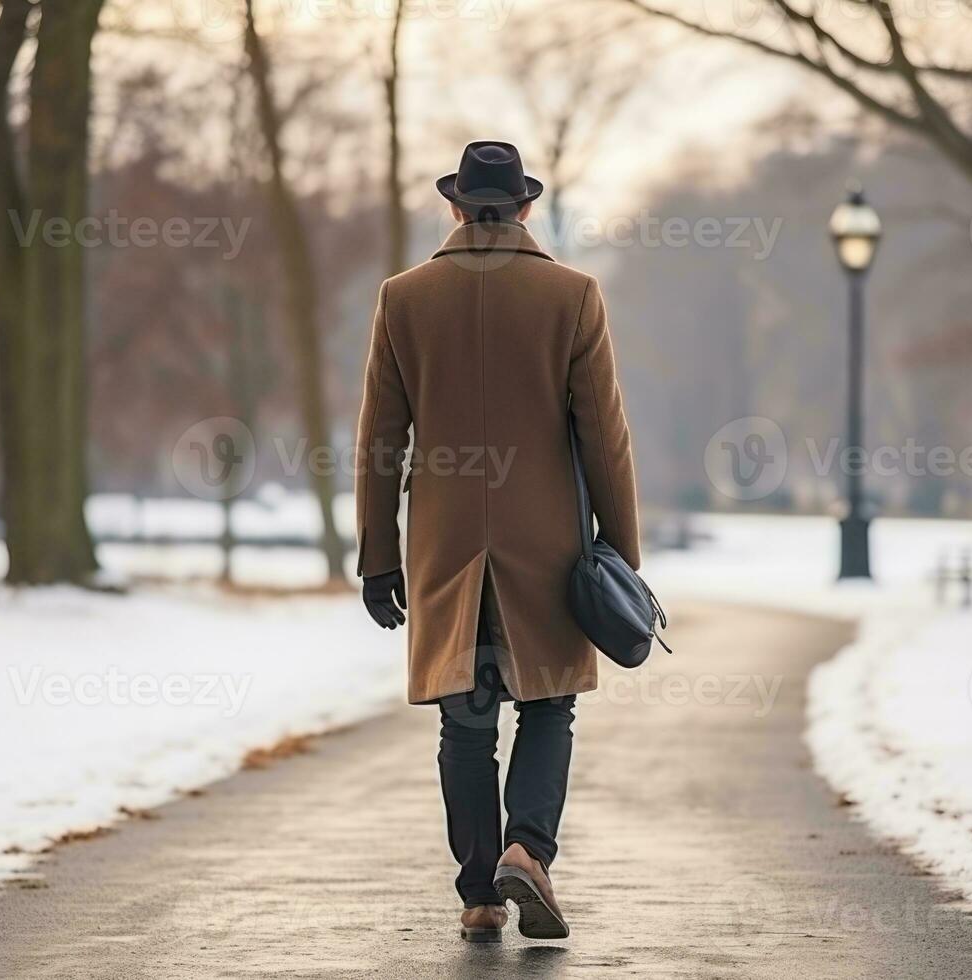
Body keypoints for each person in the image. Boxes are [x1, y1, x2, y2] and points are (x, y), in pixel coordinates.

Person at [354, 140, 640, 943]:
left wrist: (378, 554)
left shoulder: (402, 298)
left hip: (445, 546)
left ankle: (480, 893)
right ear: (523, 208)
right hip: (545, 545)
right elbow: (604, 438)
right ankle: (530, 848)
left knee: (466, 720)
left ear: (454, 207)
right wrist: (620, 553)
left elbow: (380, 441)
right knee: (548, 706)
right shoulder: (572, 295)